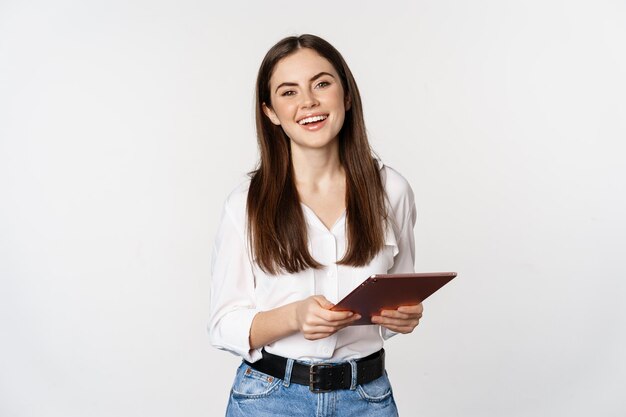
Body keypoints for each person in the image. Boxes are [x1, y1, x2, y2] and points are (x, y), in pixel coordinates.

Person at [208, 34, 423, 417]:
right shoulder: (246, 203)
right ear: (271, 112)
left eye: (322, 83)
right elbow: (224, 325)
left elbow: (394, 305)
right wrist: (293, 317)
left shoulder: (392, 190)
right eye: (288, 92)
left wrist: (403, 316)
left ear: (347, 95)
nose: (308, 102)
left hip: (367, 399)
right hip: (269, 399)